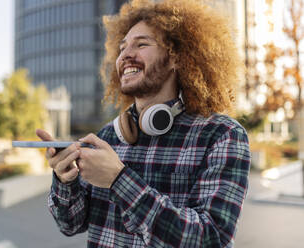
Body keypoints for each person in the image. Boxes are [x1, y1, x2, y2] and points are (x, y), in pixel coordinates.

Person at [36, 0, 251, 247]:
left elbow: (211, 239)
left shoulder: (222, 135)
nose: (125, 55)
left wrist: (119, 180)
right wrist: (66, 180)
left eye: (141, 44)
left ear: (176, 58)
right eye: (122, 47)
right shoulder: (108, 136)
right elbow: (70, 224)